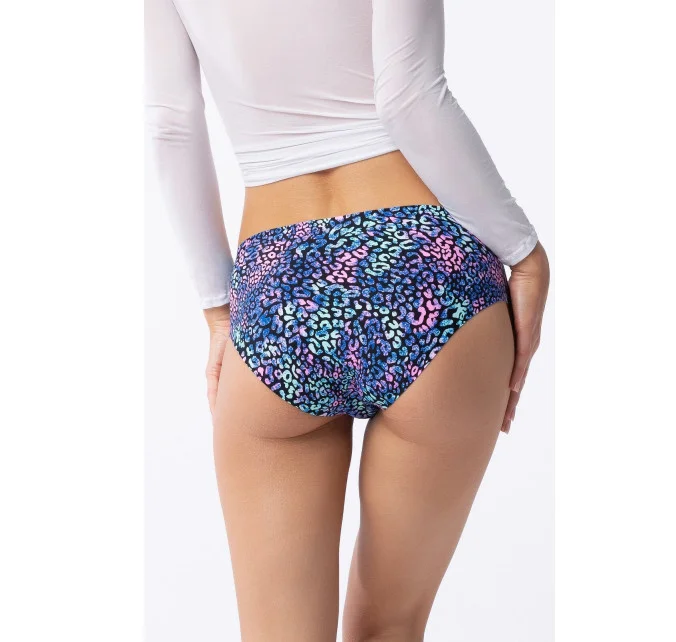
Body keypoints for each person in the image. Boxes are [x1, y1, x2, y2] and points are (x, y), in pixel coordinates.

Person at [145, 0, 549, 639]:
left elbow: (170, 125)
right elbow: (408, 92)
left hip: (280, 289)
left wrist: (220, 312)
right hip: (429, 271)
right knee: (389, 627)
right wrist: (523, 252)